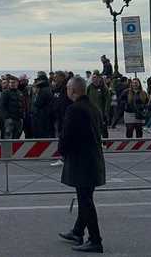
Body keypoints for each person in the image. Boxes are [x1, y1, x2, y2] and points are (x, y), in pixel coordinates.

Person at [58, 76, 105, 253]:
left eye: (68, 89)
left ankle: (95, 240)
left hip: (81, 162)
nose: (66, 91)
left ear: (73, 90)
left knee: (85, 201)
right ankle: (78, 231)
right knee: (85, 198)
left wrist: (61, 151)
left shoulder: (74, 109)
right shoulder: (93, 107)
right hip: (93, 160)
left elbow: (67, 135)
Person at [86, 72, 110, 138]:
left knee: (103, 129)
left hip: (101, 112)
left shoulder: (104, 88)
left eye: (96, 77)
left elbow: (107, 100)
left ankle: (105, 143)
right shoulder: (89, 88)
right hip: (91, 112)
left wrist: (106, 112)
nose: (94, 79)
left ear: (99, 78)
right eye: (93, 78)